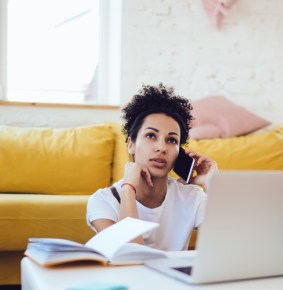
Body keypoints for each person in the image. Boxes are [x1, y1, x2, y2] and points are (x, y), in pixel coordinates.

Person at [86, 83, 218, 251]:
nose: (161, 147)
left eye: (172, 140)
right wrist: (128, 189)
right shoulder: (103, 201)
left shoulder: (192, 197)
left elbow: (228, 247)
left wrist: (213, 183)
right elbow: (131, 256)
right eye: (150, 135)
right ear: (131, 144)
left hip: (175, 277)